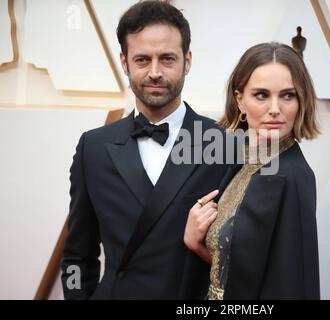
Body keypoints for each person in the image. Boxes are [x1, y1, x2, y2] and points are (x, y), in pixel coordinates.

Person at [60, 1, 228, 299]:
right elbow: (76, 257)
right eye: (142, 60)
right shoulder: (93, 148)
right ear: (124, 63)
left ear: (187, 61)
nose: (154, 72)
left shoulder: (222, 143)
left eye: (167, 59)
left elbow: (239, 254)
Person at [183, 42, 321, 299]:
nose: (275, 109)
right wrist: (195, 243)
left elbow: (291, 284)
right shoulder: (242, 160)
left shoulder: (293, 178)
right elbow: (239, 271)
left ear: (301, 101)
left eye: (287, 95)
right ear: (240, 101)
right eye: (261, 95)